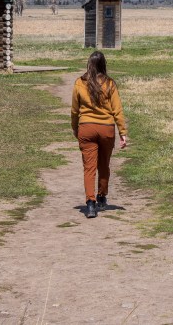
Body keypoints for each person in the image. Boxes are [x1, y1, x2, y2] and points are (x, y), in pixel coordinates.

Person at [70, 50, 128, 218]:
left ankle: (90, 204)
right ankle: (101, 197)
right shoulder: (110, 84)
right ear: (104, 65)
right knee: (104, 165)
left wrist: (75, 128)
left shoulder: (79, 83)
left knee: (89, 168)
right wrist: (122, 132)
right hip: (106, 129)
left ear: (89, 64)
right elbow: (117, 110)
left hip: (86, 127)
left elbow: (74, 110)